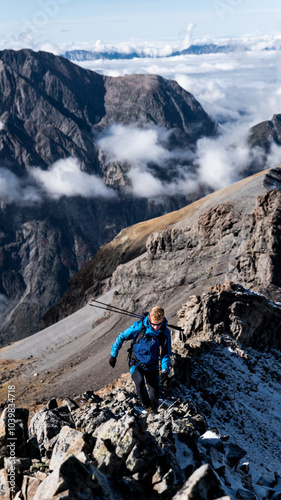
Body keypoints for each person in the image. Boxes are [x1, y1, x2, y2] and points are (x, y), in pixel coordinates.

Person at [109, 305, 171, 414]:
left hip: (152, 365)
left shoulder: (165, 332)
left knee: (155, 393)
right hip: (136, 362)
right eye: (154, 324)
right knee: (140, 382)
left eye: (159, 324)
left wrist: (165, 370)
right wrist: (114, 355)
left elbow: (166, 353)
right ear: (150, 319)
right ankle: (148, 409)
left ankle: (154, 412)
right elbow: (121, 337)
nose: (156, 327)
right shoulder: (139, 327)